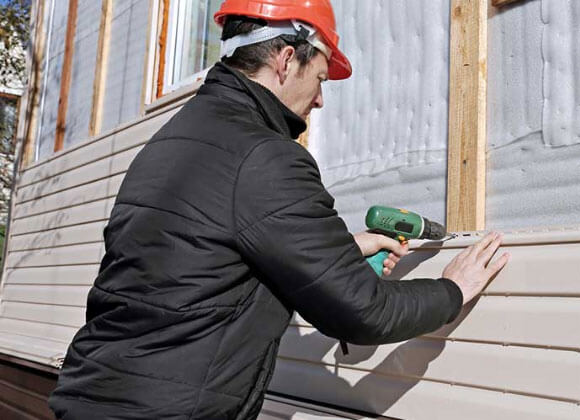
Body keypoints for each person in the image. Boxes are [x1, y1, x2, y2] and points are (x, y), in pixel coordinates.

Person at [48, 0, 509, 418]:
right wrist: (451, 289)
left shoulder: (173, 141)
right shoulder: (265, 155)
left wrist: (338, 250)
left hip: (94, 396)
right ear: (287, 59)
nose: (321, 98)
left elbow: (199, 260)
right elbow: (363, 313)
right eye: (321, 78)